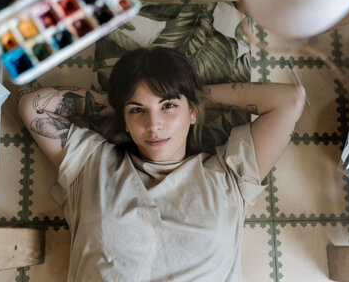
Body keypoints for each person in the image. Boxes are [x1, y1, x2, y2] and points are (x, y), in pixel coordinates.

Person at [17, 47, 305, 281]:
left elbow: (290, 99)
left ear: (192, 112)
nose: (154, 125)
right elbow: (33, 106)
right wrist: (121, 101)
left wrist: (194, 95)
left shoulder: (229, 174)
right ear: (125, 121)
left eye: (168, 107)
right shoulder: (92, 165)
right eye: (137, 111)